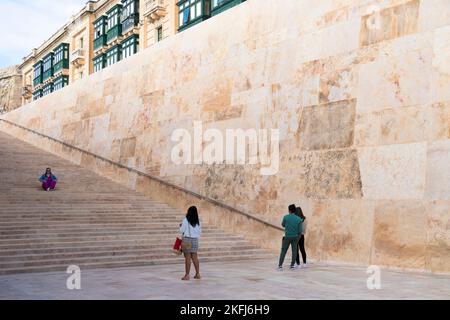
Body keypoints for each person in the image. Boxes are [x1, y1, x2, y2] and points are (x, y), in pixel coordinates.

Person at [179, 206, 202, 281]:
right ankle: (197, 274)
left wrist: (180, 226)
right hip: (195, 240)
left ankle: (187, 275)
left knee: (187, 257)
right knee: (195, 257)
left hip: (187, 240)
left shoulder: (186, 220)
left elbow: (182, 230)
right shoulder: (198, 221)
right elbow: (199, 232)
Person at [278, 204, 302, 271]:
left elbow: (283, 225)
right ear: (295, 210)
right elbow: (300, 231)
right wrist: (298, 238)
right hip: (295, 237)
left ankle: (280, 266)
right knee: (294, 251)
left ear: (289, 210)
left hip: (287, 236)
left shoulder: (286, 217)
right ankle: (292, 266)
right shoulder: (299, 219)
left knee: (283, 251)